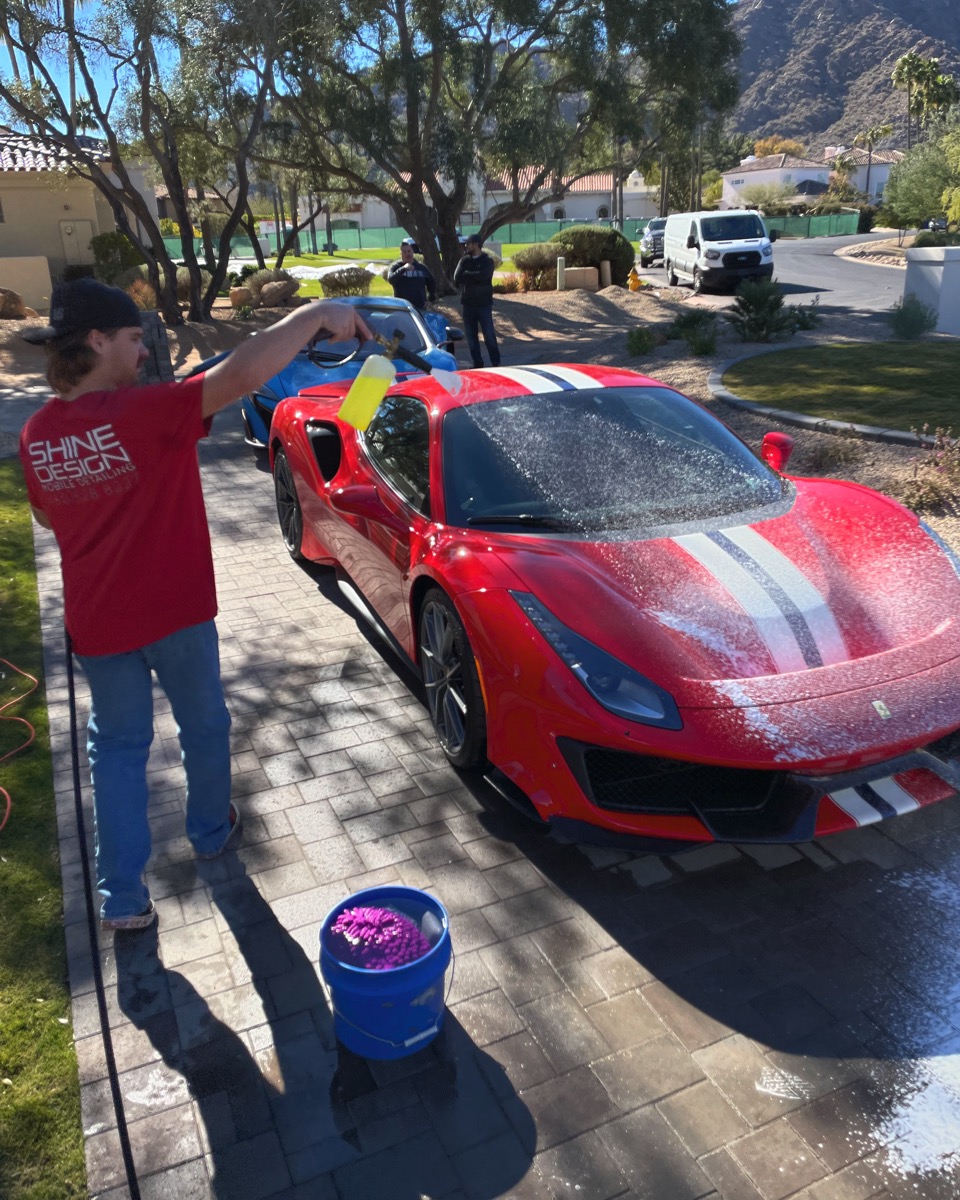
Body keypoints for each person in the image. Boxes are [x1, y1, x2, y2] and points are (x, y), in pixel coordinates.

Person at [19, 279, 371, 931]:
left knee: (118, 751)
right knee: (204, 726)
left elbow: (45, 518)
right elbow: (245, 372)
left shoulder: (37, 433)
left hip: (98, 626)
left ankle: (121, 899)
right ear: (97, 341)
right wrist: (321, 313)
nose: (143, 352)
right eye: (132, 339)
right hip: (176, 613)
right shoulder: (147, 412)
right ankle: (210, 833)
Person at [453, 233, 500, 368]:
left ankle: (496, 362)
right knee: (471, 338)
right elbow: (457, 278)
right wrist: (473, 276)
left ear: (476, 244)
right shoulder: (464, 261)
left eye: (468, 243)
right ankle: (477, 363)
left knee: (489, 335)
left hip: (484, 304)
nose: (466, 246)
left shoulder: (487, 261)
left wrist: (467, 275)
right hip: (468, 304)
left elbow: (484, 276)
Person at [386, 239, 437, 312]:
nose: (408, 254)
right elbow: (391, 280)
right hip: (402, 308)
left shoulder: (421, 267)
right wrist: (403, 268)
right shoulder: (395, 267)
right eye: (405, 252)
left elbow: (432, 282)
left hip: (420, 308)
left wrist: (431, 300)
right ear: (401, 254)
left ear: (412, 252)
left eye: (409, 251)